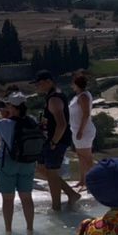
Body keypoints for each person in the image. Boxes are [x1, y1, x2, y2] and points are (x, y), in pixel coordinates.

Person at [0, 94, 39, 233]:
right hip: (28, 162)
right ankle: (30, 229)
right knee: (27, 198)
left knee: (8, 199)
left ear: (12, 107)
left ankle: (9, 231)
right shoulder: (33, 121)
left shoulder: (4, 123)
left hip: (8, 163)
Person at [33, 70, 82, 209]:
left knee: (52, 172)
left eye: (39, 84)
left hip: (56, 140)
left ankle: (56, 206)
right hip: (49, 139)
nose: (37, 86)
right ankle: (71, 193)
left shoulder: (54, 98)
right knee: (42, 168)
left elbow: (61, 124)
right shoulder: (51, 96)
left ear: (48, 82)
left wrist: (54, 142)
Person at [69, 72, 95, 188]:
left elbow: (86, 114)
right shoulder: (78, 96)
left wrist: (80, 130)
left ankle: (92, 181)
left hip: (83, 130)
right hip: (76, 129)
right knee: (81, 156)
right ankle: (83, 180)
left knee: (87, 158)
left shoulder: (83, 96)